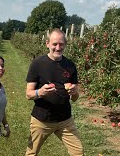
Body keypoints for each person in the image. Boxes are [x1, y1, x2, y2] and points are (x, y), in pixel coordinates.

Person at [25, 28, 84, 156]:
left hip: (65, 120)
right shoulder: (38, 64)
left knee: (78, 152)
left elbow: (75, 98)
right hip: (42, 120)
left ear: (65, 45)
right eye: (54, 44)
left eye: (61, 44)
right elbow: (28, 94)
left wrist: (74, 92)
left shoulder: (70, 65)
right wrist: (40, 92)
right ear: (47, 44)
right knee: (32, 153)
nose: (58, 48)